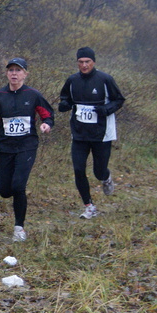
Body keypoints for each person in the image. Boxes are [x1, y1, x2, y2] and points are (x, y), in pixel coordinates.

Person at [0, 58, 54, 242]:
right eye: (11, 70)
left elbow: (48, 114)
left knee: (18, 186)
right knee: (5, 191)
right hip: (5, 146)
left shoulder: (33, 95)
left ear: (25, 74)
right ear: (7, 73)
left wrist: (46, 124)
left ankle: (19, 228)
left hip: (27, 146)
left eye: (18, 70)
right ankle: (18, 223)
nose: (14, 73)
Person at [58, 47, 125, 219]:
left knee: (98, 171)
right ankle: (89, 206)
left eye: (87, 62)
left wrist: (106, 109)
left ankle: (106, 177)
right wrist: (65, 105)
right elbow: (65, 98)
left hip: (102, 134)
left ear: (93, 62)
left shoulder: (105, 79)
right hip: (79, 134)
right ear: (77, 63)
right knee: (78, 169)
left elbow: (119, 100)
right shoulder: (72, 80)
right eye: (81, 62)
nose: (84, 65)